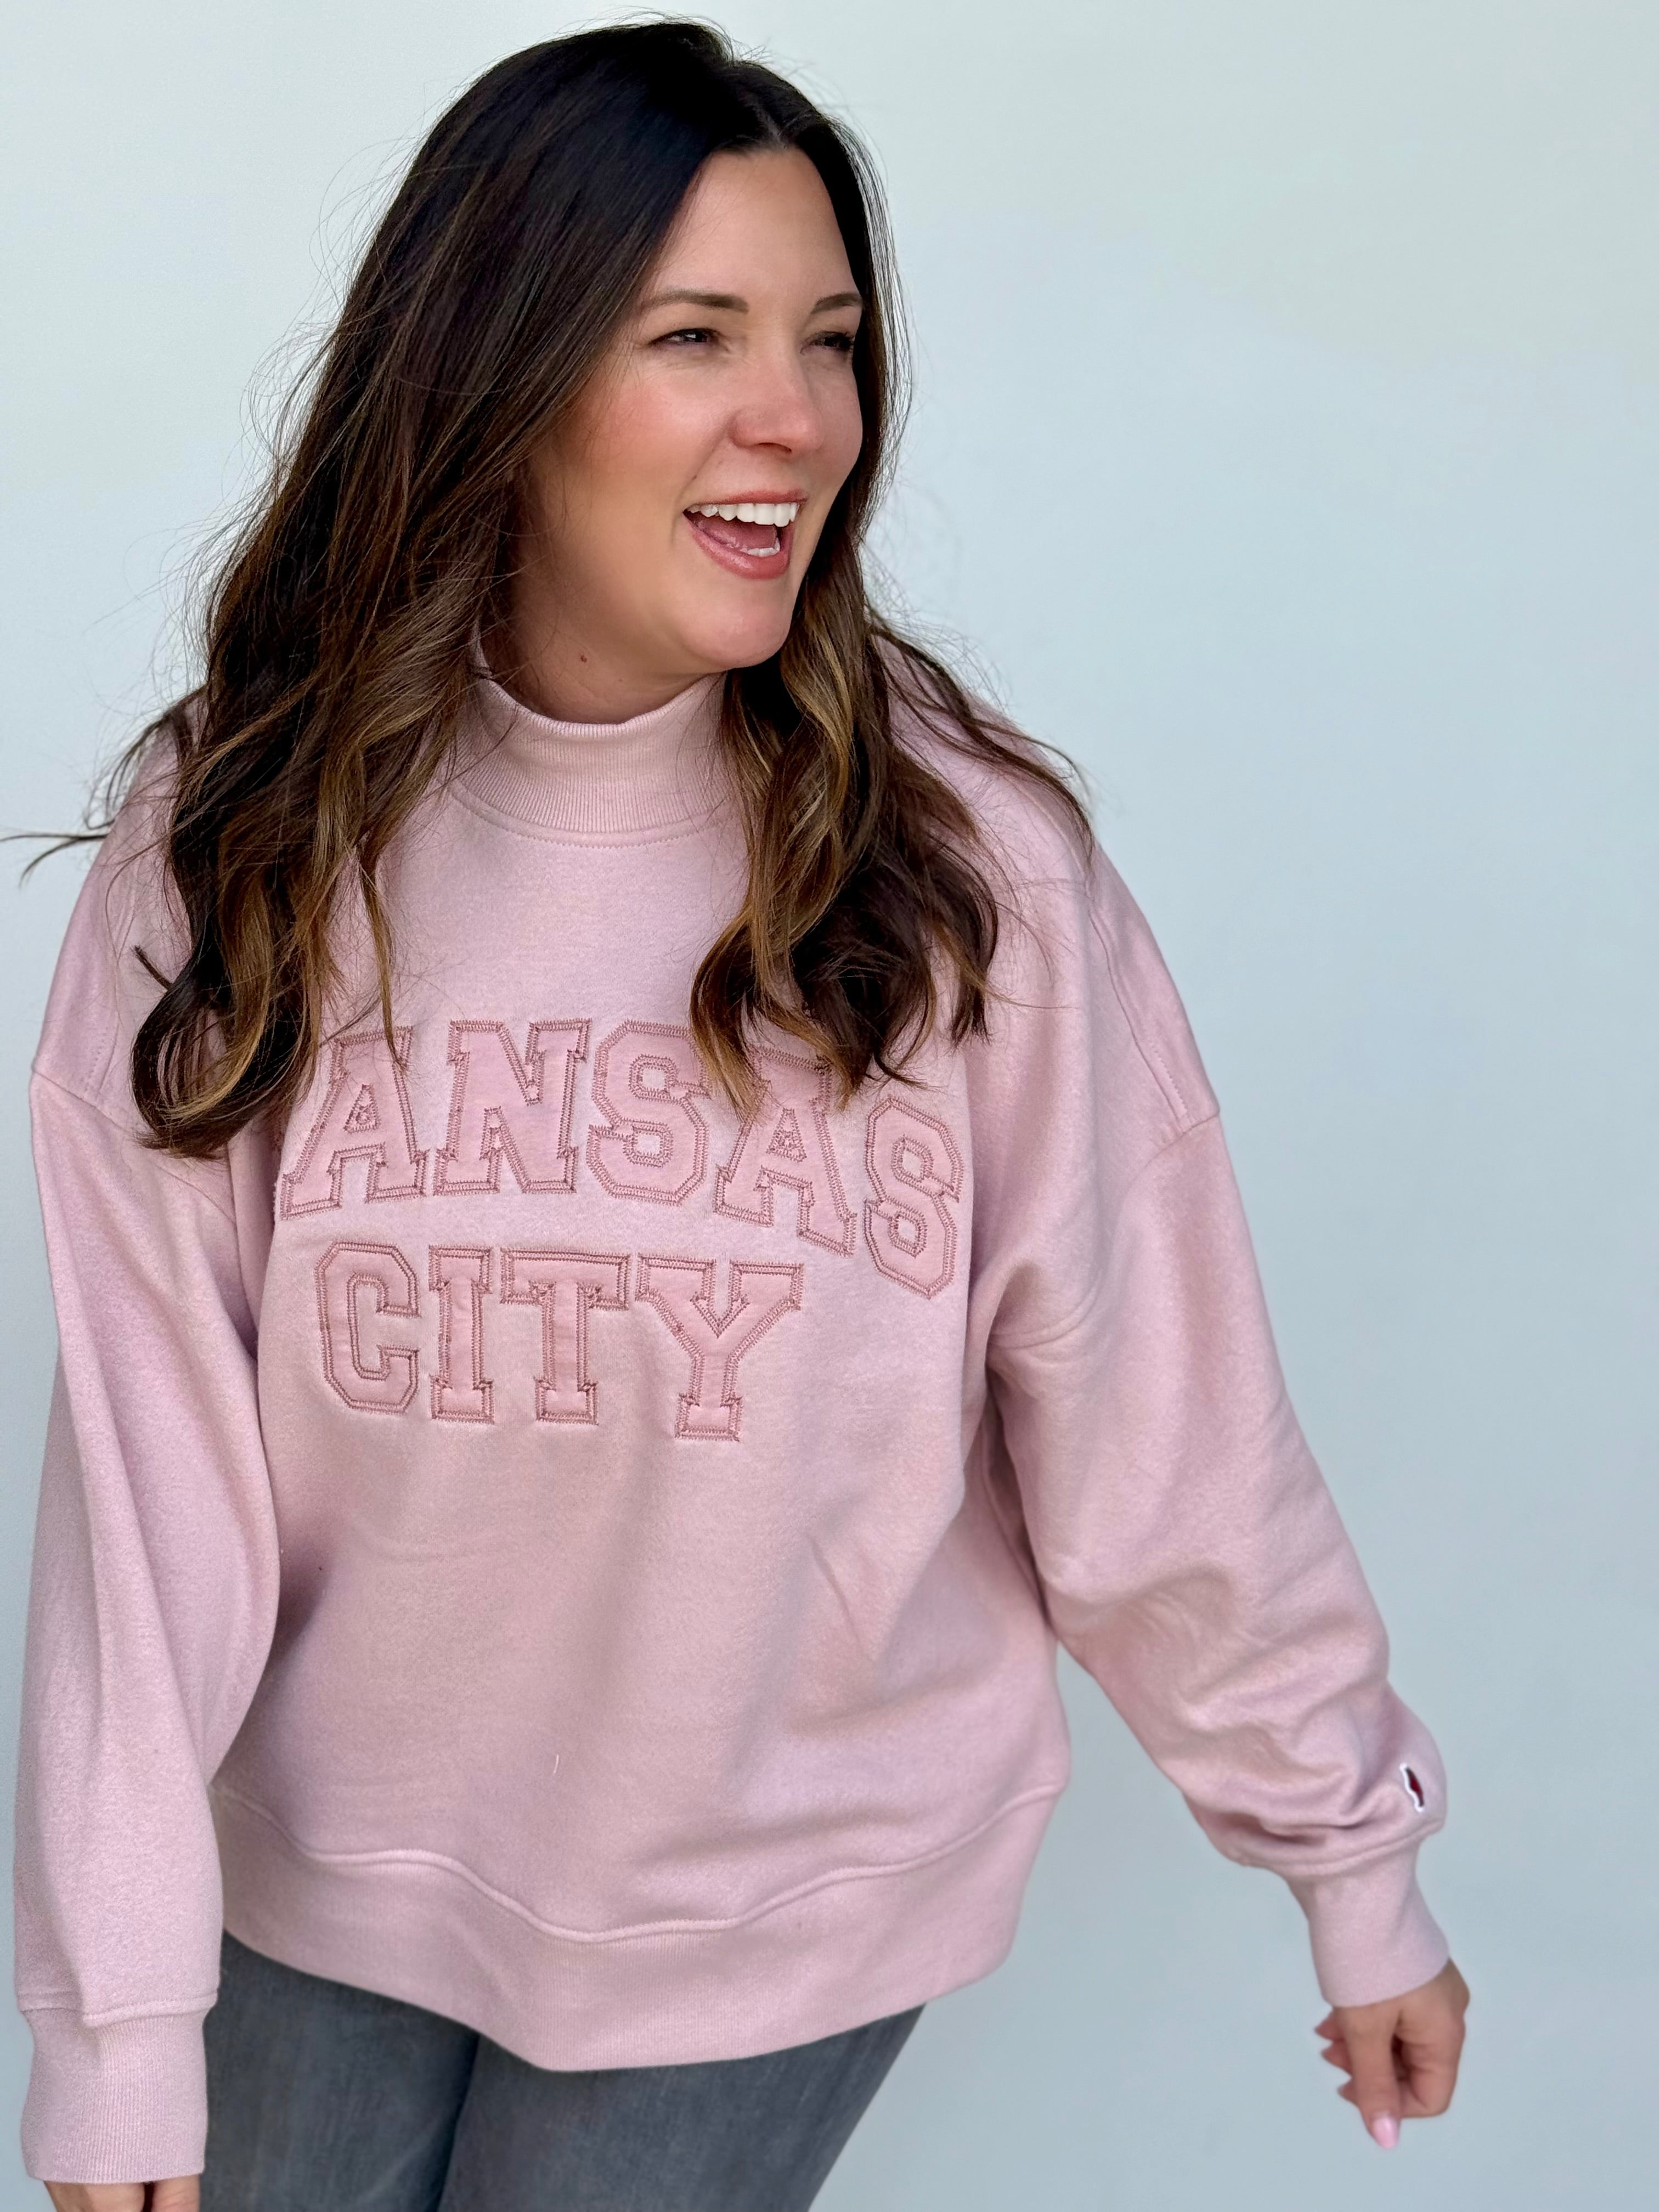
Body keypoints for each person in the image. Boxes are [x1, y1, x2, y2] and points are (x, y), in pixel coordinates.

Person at [12, 21, 1470, 2211]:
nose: (798, 418)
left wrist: (1352, 1859)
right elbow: (147, 1495)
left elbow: (1157, 1422)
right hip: (315, 1874)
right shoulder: (241, 837)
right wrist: (117, 2021)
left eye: (832, 340)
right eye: (694, 335)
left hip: (779, 1907)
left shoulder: (966, 874)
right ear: (499, 379)